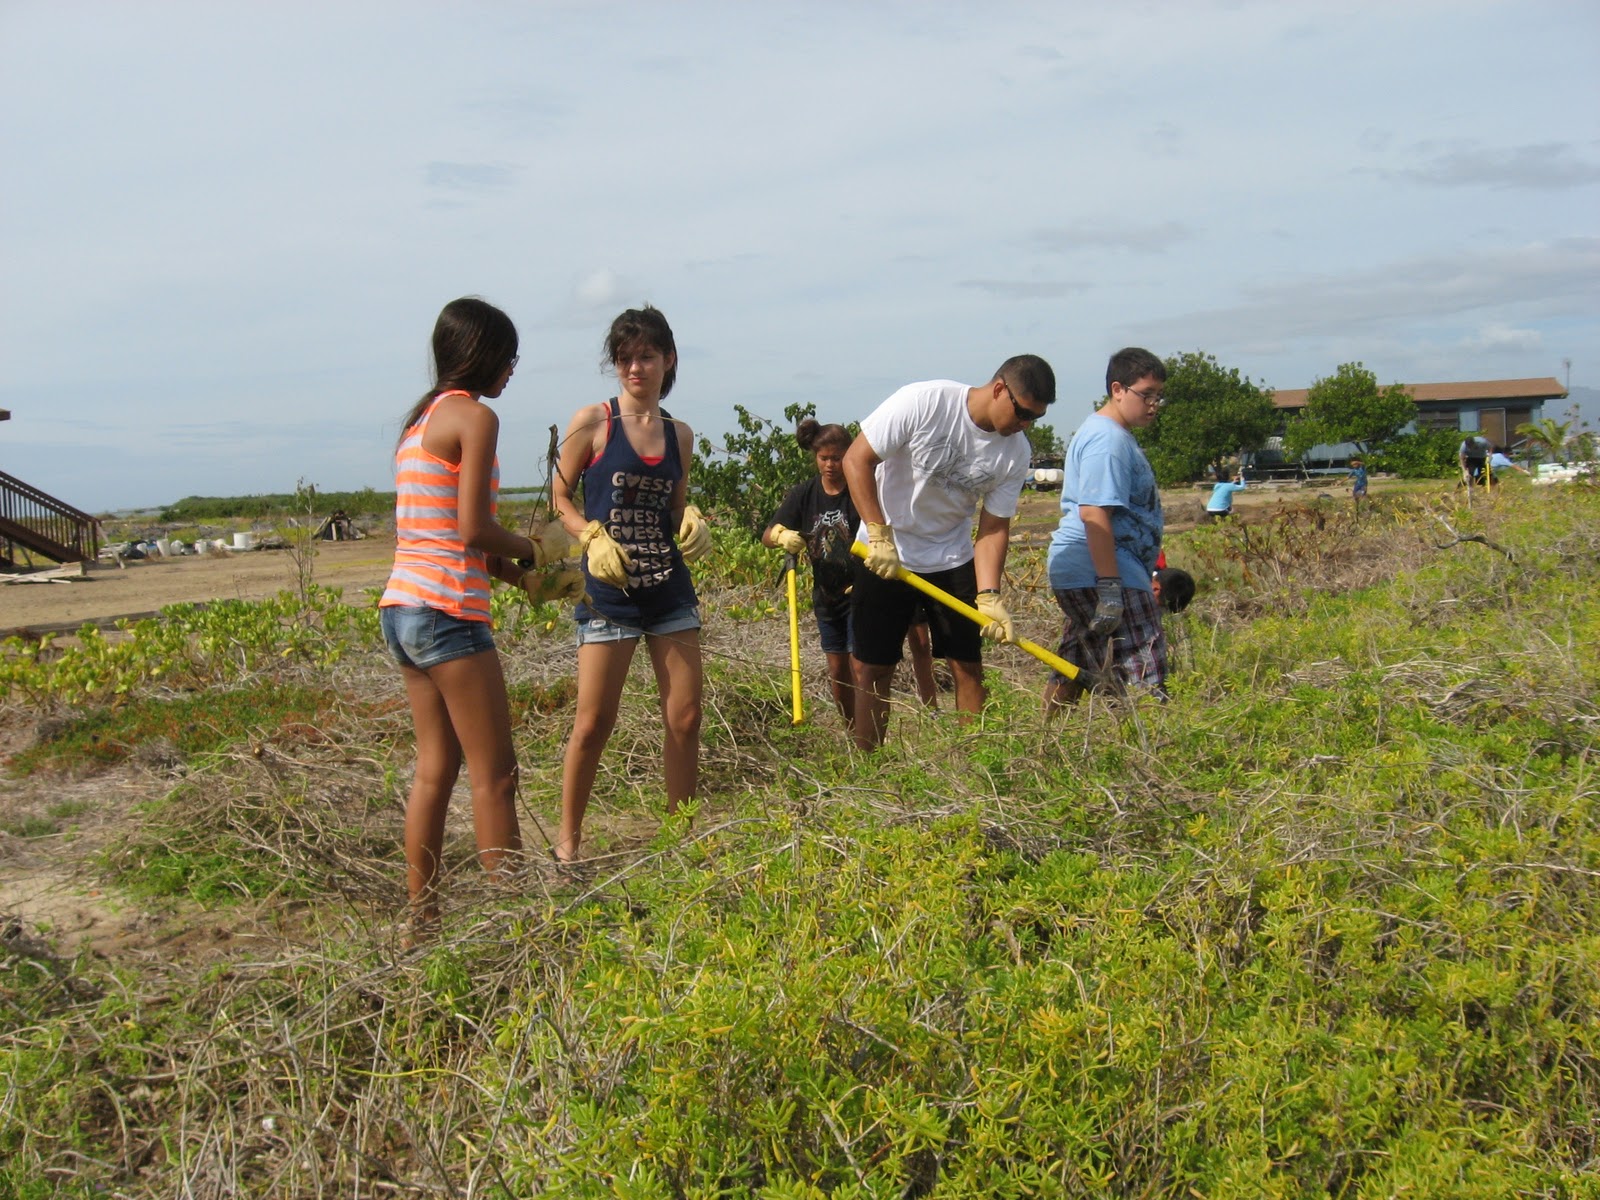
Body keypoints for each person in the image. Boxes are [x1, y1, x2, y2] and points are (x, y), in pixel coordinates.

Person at [379, 298, 570, 939]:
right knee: (497, 776)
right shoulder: (475, 417)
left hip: (403, 608)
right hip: (447, 617)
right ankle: (513, 929)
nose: (512, 369)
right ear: (480, 354)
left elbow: (445, 539)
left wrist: (521, 577)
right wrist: (537, 547)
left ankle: (423, 919)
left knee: (435, 770)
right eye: (508, 355)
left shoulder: (419, 425)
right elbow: (472, 530)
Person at [550, 306, 710, 865]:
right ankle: (568, 841)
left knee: (685, 717)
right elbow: (559, 497)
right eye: (624, 358)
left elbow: (675, 507)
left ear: (668, 360)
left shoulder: (679, 434)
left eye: (646, 356)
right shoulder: (594, 421)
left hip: (668, 589)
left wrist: (691, 522)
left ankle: (681, 837)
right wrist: (589, 534)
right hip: (609, 593)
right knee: (593, 722)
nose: (635, 368)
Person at [843, 355, 1056, 750]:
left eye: (1035, 418)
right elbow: (856, 459)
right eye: (1024, 412)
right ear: (998, 390)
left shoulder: (1015, 452)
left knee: (968, 666)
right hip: (886, 552)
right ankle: (868, 765)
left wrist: (989, 594)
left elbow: (993, 527)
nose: (1026, 425)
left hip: (950, 557)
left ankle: (976, 767)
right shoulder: (925, 401)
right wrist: (879, 532)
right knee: (873, 667)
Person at [764, 419, 937, 729]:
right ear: (815, 457)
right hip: (827, 595)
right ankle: (852, 732)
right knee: (838, 671)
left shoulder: (860, 490)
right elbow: (766, 534)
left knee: (862, 668)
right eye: (824, 458)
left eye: (837, 457)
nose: (831, 465)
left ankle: (869, 736)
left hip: (862, 592)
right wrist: (779, 535)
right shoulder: (805, 494)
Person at [1044, 347, 1168, 708]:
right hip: (1103, 571)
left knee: (1080, 658)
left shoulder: (1111, 434)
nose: (1153, 404)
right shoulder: (1108, 440)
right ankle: (1154, 747)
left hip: (1095, 570)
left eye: (1159, 396)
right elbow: (1094, 514)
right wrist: (1111, 589)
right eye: (1146, 394)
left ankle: (1046, 741)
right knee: (1145, 662)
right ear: (1117, 389)